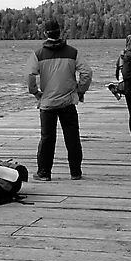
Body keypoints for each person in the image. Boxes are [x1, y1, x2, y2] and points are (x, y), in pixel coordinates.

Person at [26, 18, 92, 181]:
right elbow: (87, 73)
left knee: (47, 138)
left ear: (44, 34)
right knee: (72, 137)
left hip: (47, 103)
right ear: (60, 32)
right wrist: (79, 90)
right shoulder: (72, 52)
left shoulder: (37, 54)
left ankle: (44, 173)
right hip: (68, 101)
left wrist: (35, 93)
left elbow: (30, 76)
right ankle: (75, 172)